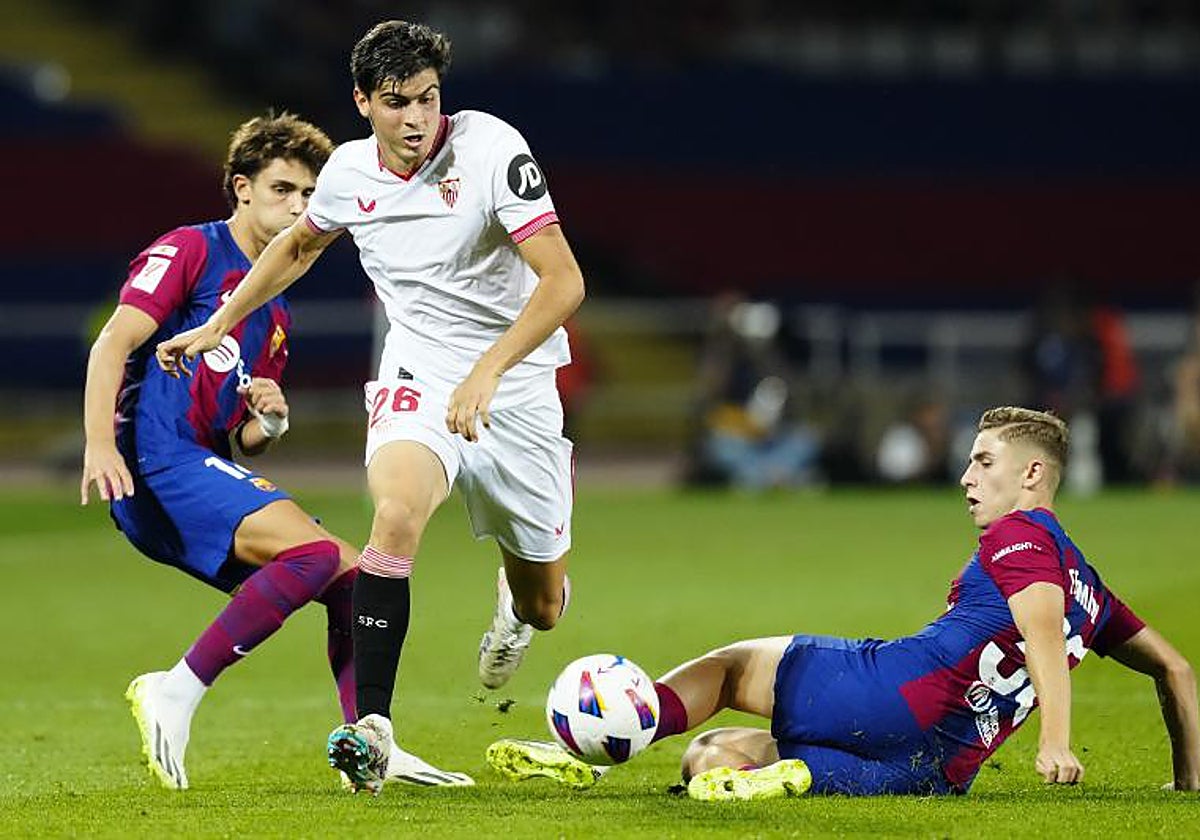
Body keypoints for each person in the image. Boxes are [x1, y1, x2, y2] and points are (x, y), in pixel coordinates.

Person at [154, 20, 586, 795]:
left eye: (427, 98)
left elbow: (564, 282)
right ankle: (374, 728)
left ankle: (514, 609)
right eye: (396, 102)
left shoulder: (491, 150)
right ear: (362, 102)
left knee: (545, 603)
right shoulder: (350, 172)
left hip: (514, 383)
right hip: (420, 370)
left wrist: (488, 371)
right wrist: (219, 322)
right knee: (394, 515)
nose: (416, 118)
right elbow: (296, 247)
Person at [488, 407, 1200, 799]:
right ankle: (791, 777)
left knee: (733, 668)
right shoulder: (1090, 588)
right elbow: (1176, 670)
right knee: (709, 757)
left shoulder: (1020, 536)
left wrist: (1055, 743)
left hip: (895, 691)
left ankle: (601, 747)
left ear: (1034, 473)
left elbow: (1039, 630)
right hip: (938, 768)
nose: (966, 476)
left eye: (984, 461)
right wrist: (1188, 782)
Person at [81, 111, 471, 791]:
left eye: (308, 195)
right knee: (314, 553)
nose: (297, 207)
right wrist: (96, 444)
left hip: (199, 466)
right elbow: (112, 342)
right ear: (242, 188)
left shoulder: (275, 311)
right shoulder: (192, 249)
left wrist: (271, 421)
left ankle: (369, 742)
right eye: (282, 189)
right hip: (153, 462)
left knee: (354, 579)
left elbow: (241, 443)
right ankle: (174, 690)